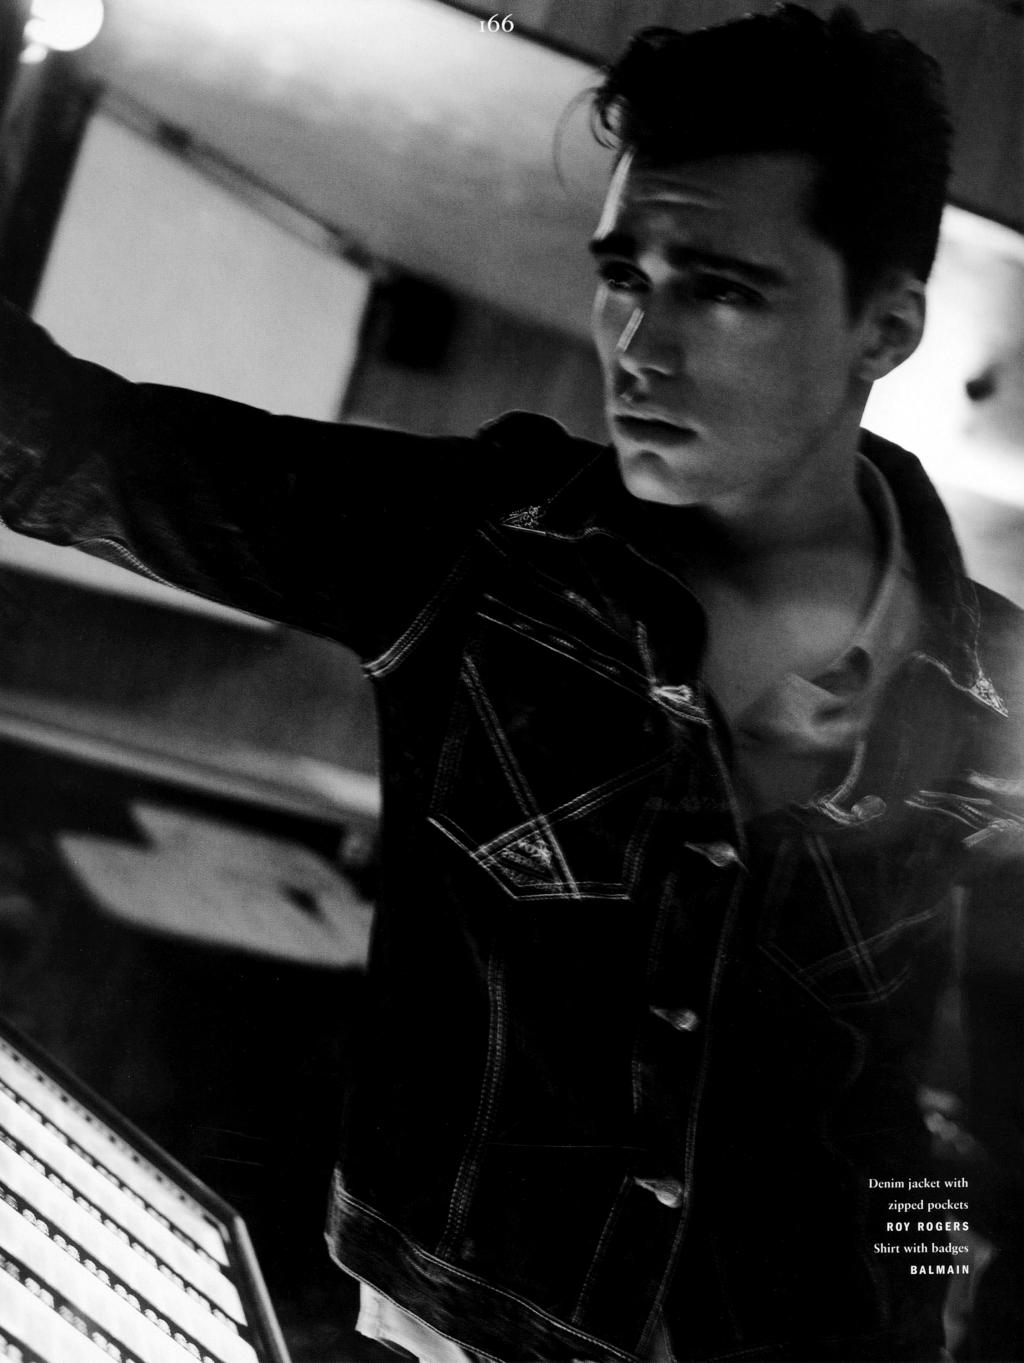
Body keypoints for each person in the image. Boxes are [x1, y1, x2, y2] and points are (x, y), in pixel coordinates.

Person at [0, 4, 1022, 1360]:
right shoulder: (484, 552)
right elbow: (78, 452)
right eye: (624, 275)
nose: (640, 346)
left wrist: (915, 1311)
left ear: (884, 328)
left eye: (722, 289)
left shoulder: (994, 706)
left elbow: (914, 1116)